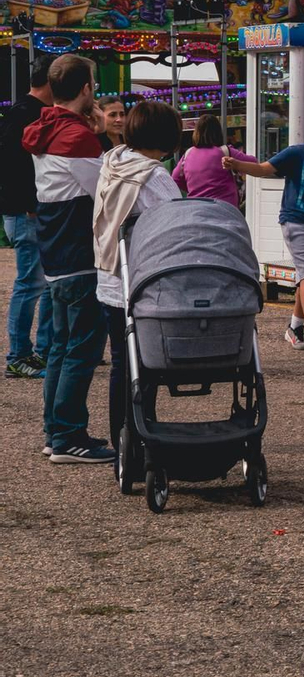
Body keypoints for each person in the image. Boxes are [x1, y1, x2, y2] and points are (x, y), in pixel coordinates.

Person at [24, 54, 111, 463]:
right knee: (82, 350)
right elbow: (107, 195)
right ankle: (70, 436)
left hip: (55, 255)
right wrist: (106, 137)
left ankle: (55, 431)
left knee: (60, 347)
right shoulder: (77, 138)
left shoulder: (47, 129)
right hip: (80, 256)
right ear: (86, 89)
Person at [90, 99, 183, 453]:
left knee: (121, 364)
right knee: (144, 370)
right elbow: (175, 226)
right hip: (142, 286)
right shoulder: (154, 176)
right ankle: (144, 437)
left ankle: (124, 444)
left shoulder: (112, 162)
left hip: (110, 278)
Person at [227, 107, 304, 355]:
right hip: (295, 220)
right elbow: (263, 169)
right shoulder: (296, 153)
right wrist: (237, 164)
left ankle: (295, 327)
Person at [2, 57, 56, 379]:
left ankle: (38, 352)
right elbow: (10, 163)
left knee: (43, 284)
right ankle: (18, 355)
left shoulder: (23, 111)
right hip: (27, 212)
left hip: (27, 209)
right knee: (30, 284)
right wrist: (28, 204)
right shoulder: (25, 113)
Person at [173, 114, 252, 204]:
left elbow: (175, 178)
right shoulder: (225, 151)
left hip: (197, 206)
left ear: (196, 132)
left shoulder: (188, 154)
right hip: (225, 208)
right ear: (218, 132)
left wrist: (194, 189)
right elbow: (254, 162)